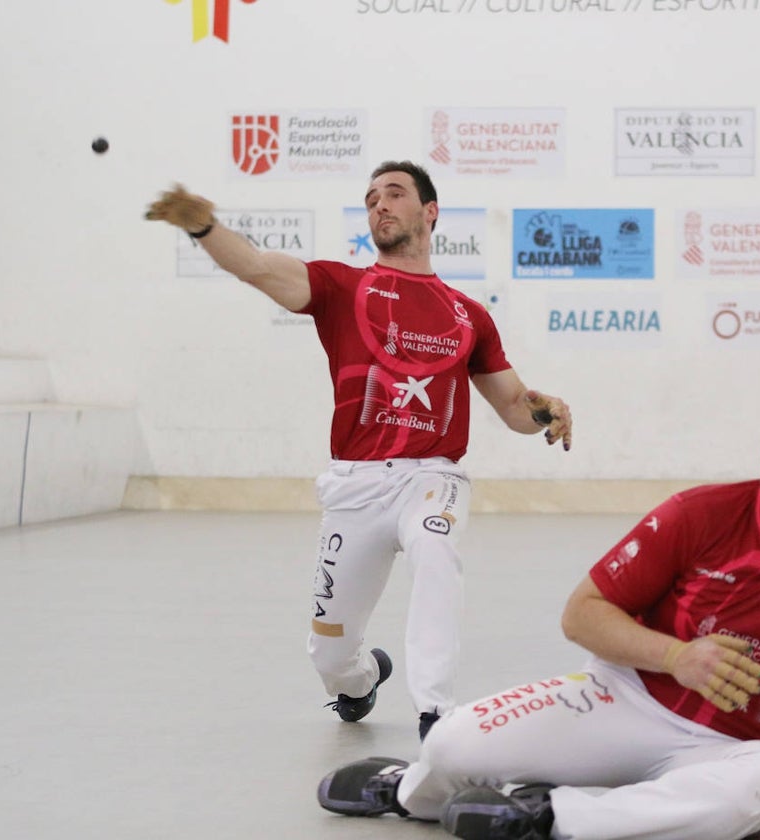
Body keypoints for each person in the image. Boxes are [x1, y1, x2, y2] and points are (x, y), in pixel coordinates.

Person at [318, 385, 760, 840]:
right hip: (624, 697)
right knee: (452, 743)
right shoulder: (700, 513)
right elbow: (581, 615)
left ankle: (550, 816)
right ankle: (405, 790)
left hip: (741, 750)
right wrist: (676, 655)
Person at [145, 162, 573, 740]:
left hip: (431, 476)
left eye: (395, 194)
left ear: (430, 211)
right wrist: (203, 228)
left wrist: (546, 410)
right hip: (355, 486)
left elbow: (516, 406)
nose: (381, 205)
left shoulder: (468, 315)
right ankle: (362, 677)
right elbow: (255, 266)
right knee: (329, 659)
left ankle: (437, 717)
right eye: (371, 198)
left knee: (436, 544)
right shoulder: (341, 287)